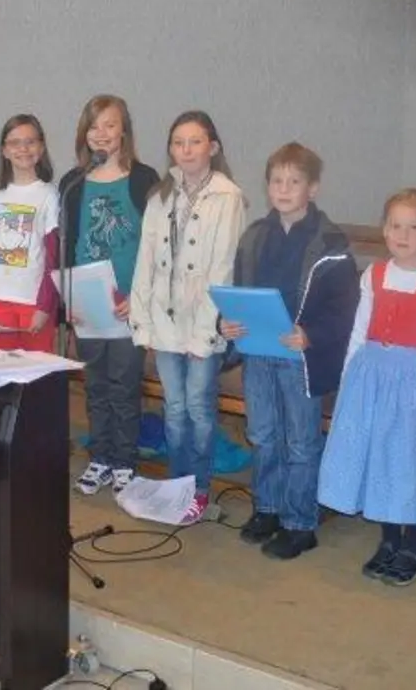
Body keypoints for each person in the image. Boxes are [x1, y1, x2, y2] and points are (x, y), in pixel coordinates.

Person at [316, 187, 416, 586]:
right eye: (396, 225)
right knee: (377, 460)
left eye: (413, 226)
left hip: (412, 384)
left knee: (405, 464)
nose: (403, 234)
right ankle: (387, 540)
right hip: (371, 377)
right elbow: (359, 332)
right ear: (385, 230)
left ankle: (411, 545)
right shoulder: (374, 275)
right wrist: (348, 382)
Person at [220, 143, 359, 560]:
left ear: (312, 188)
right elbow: (238, 291)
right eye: (276, 181)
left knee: (300, 441)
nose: (283, 189)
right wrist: (225, 323)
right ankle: (268, 508)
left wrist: (311, 334)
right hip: (259, 352)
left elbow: (344, 310)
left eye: (294, 182)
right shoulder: (254, 236)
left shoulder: (331, 244)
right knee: (262, 435)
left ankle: (300, 521)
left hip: (301, 358)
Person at [129, 111, 246, 525]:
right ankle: (177, 484)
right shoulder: (161, 194)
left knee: (199, 408)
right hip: (164, 321)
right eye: (178, 143)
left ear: (212, 147)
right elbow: (146, 260)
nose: (186, 150)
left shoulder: (228, 196)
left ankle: (199, 488)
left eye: (195, 142)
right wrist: (141, 318)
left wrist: (206, 332)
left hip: (203, 324)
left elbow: (224, 267)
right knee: (174, 409)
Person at [61, 95, 160, 497]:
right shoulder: (73, 182)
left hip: (128, 302)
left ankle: (124, 461)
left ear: (125, 131)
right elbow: (70, 242)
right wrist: (67, 297)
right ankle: (99, 457)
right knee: (95, 384)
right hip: (87, 299)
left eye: (110, 125)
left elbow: (155, 246)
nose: (102, 134)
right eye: (94, 126)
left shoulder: (143, 178)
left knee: (124, 385)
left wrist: (139, 297)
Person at [0, 115, 61, 352]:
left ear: (41, 147)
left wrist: (45, 306)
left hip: (34, 302)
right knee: (4, 375)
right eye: (15, 143)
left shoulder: (49, 194)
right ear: (4, 150)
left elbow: (53, 259)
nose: (23, 149)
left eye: (30, 141)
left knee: (35, 379)